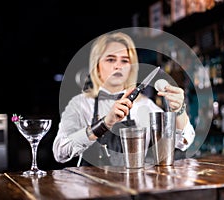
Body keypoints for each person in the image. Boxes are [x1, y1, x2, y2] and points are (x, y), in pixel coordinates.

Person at [52, 32, 195, 167]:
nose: (118, 66)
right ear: (96, 66)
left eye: (125, 60)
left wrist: (179, 110)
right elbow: (60, 152)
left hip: (135, 187)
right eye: (110, 59)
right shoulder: (80, 104)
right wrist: (105, 123)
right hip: (94, 190)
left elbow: (183, 142)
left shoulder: (144, 105)